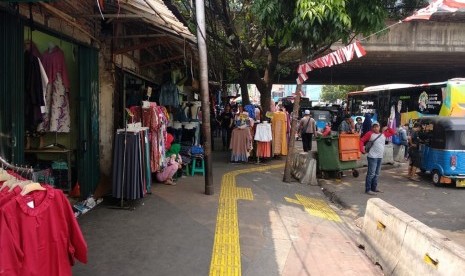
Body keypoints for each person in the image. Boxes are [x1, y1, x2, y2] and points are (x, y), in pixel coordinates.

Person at [360, 121, 396, 195]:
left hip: (380, 157)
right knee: (371, 174)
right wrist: (361, 149)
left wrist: (388, 128)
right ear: (372, 128)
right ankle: (368, 189)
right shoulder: (370, 134)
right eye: (374, 126)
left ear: (379, 127)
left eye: (377, 126)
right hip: (372, 157)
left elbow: (393, 133)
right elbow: (361, 140)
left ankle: (374, 188)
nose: (376, 128)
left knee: (376, 174)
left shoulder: (383, 134)